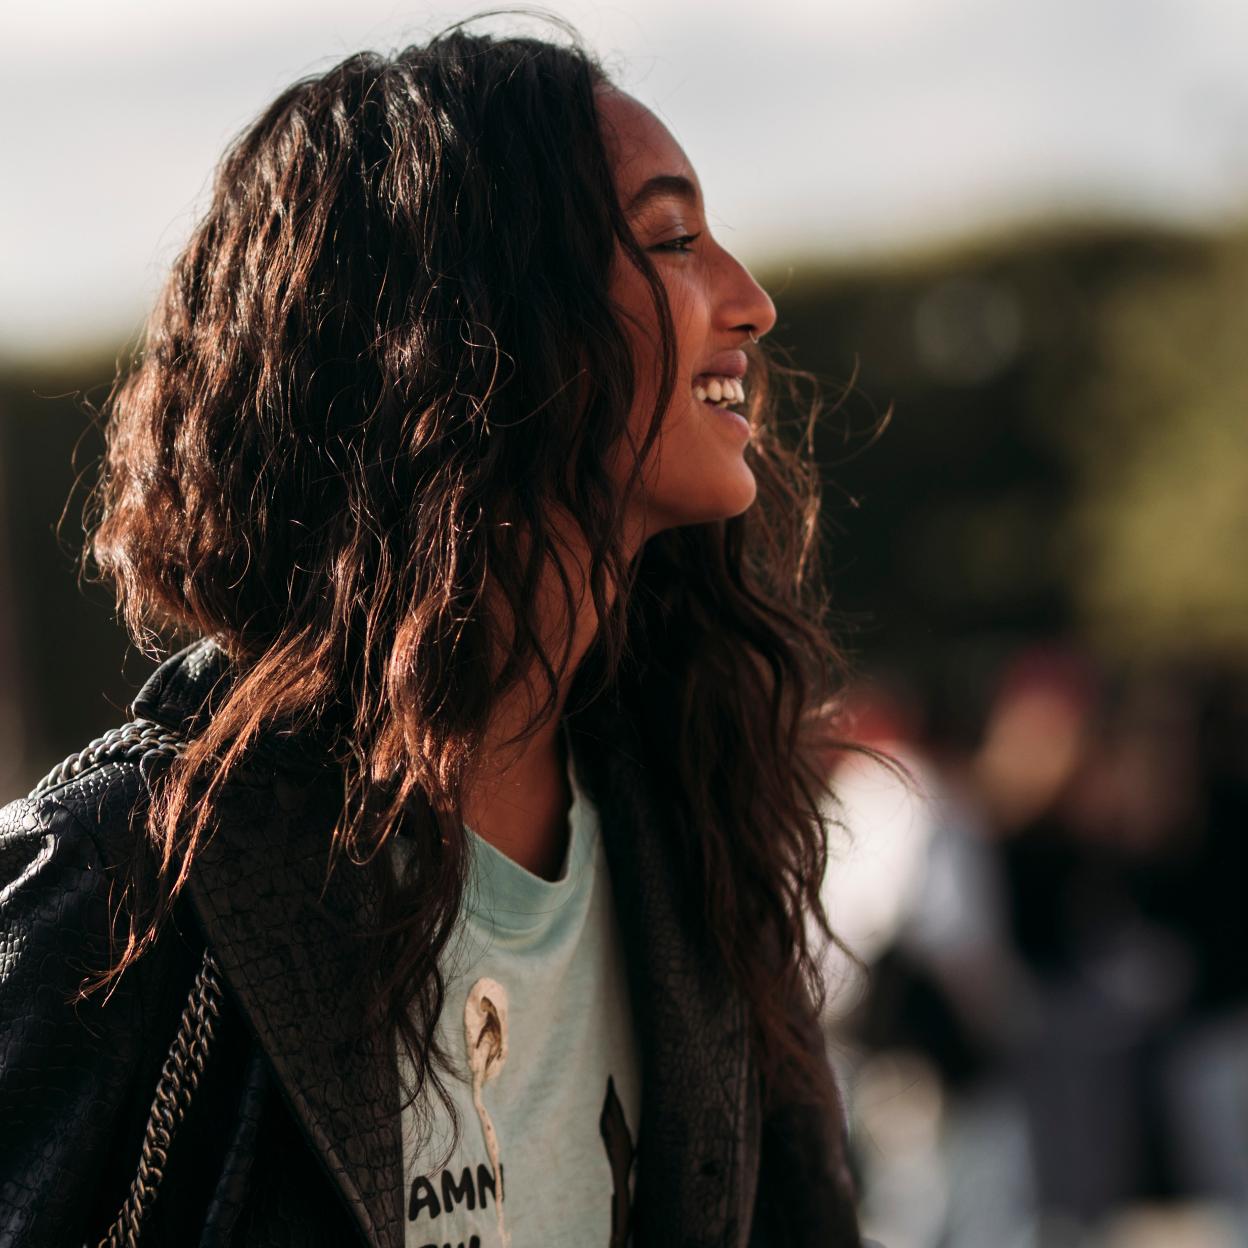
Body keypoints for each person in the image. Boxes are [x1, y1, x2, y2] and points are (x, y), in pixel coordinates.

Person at [0, 19, 864, 1248]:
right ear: (483, 327)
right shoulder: (125, 882)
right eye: (672, 239)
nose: (753, 302)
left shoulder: (703, 826)